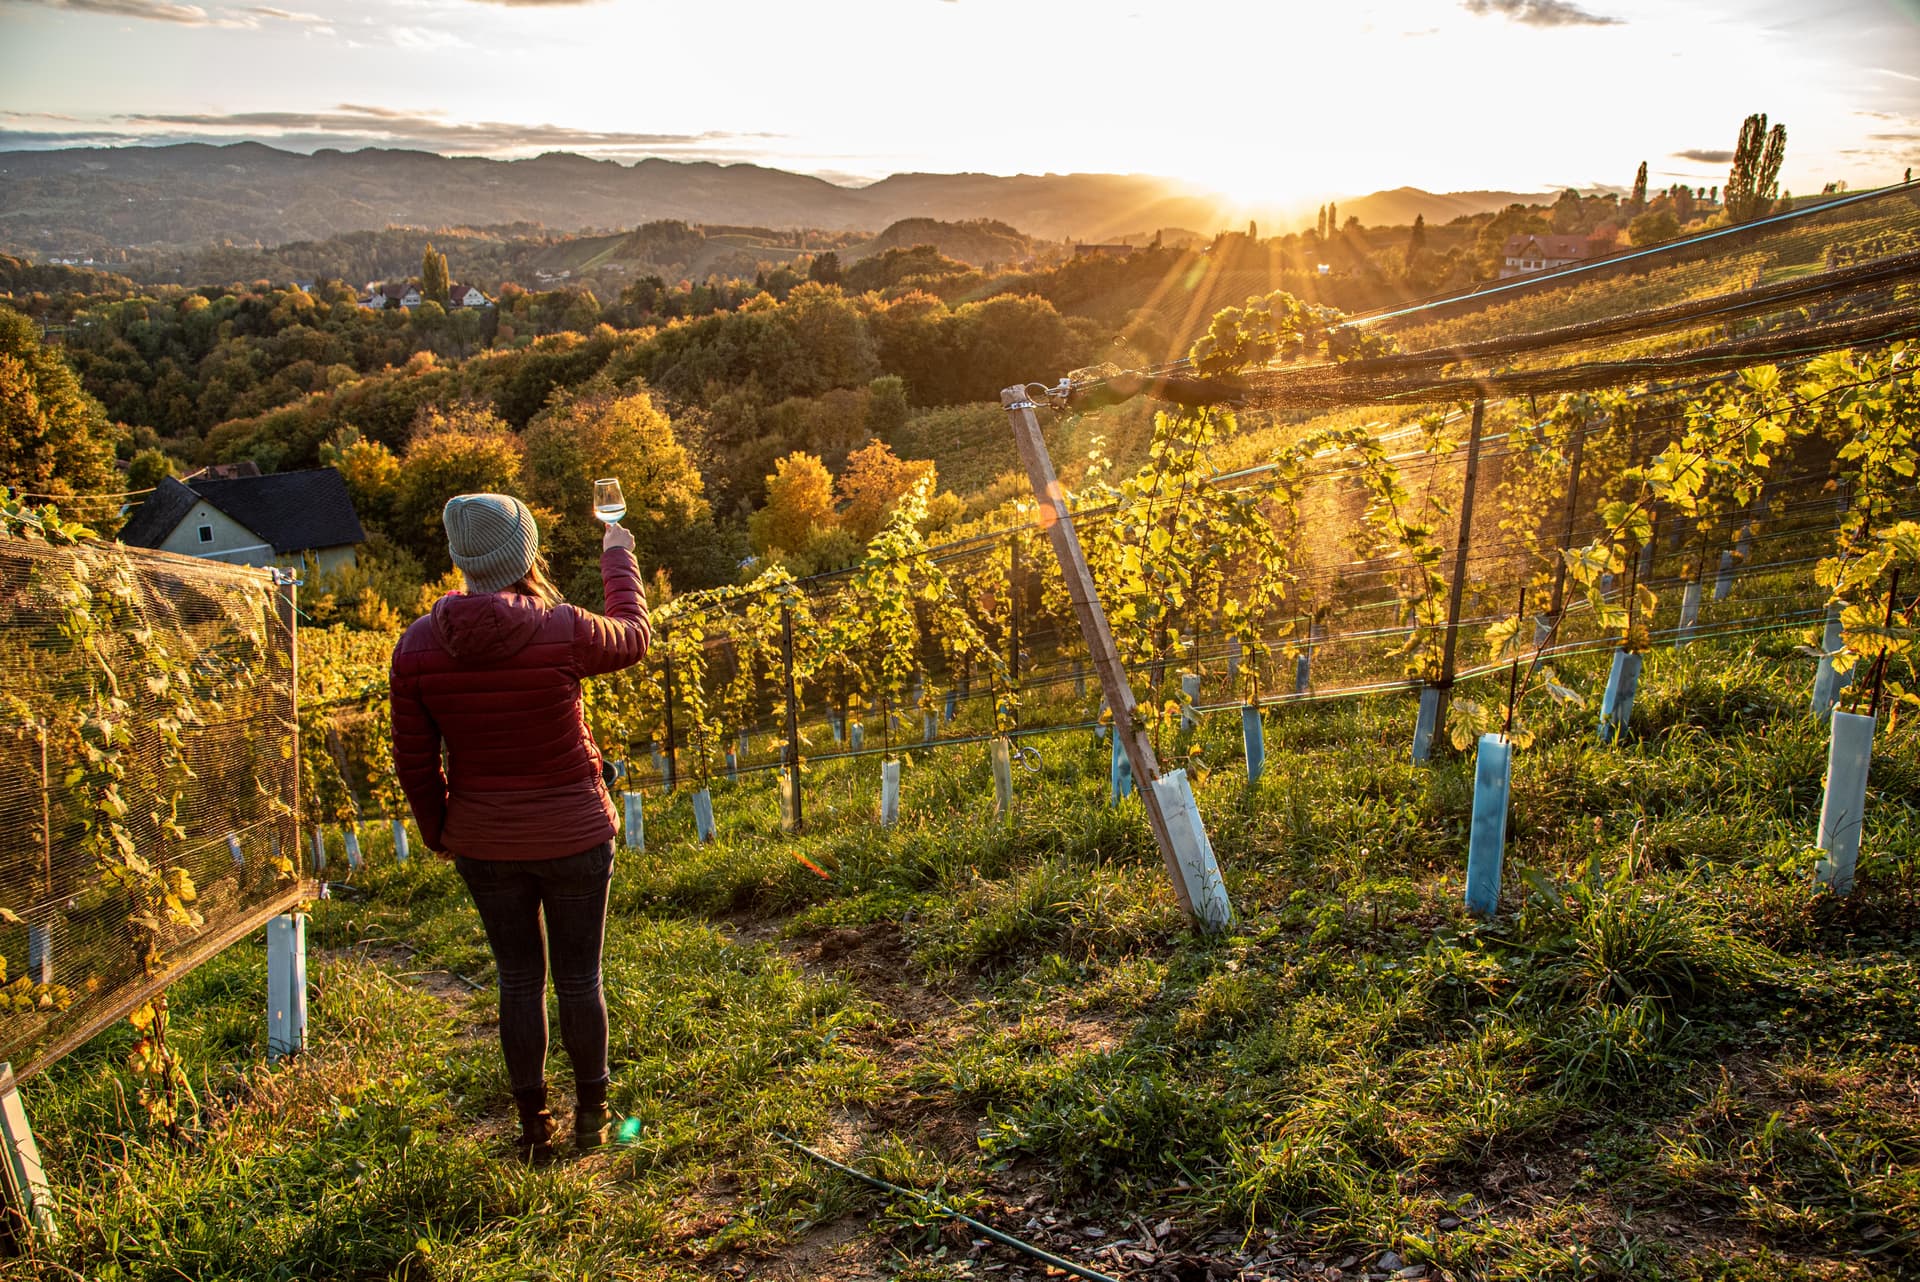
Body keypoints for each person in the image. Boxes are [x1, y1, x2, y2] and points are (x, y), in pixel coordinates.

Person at [389, 493, 650, 1161]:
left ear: (461, 560)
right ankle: (593, 1111)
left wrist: (441, 832)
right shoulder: (560, 628)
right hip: (575, 835)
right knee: (578, 979)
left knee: (517, 980)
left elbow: (414, 764)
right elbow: (634, 636)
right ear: (525, 555)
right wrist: (619, 557)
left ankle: (533, 1123)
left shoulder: (417, 646)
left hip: (484, 841)